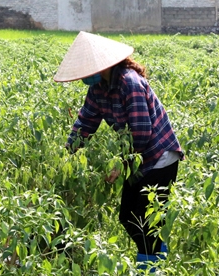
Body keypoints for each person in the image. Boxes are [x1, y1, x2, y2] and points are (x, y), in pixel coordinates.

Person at [53, 31, 184, 272]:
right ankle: (158, 255)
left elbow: (142, 133)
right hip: (137, 158)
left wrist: (119, 166)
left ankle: (151, 267)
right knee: (128, 216)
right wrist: (66, 157)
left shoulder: (129, 83)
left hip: (159, 156)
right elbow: (85, 123)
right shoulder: (99, 89)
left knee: (145, 221)